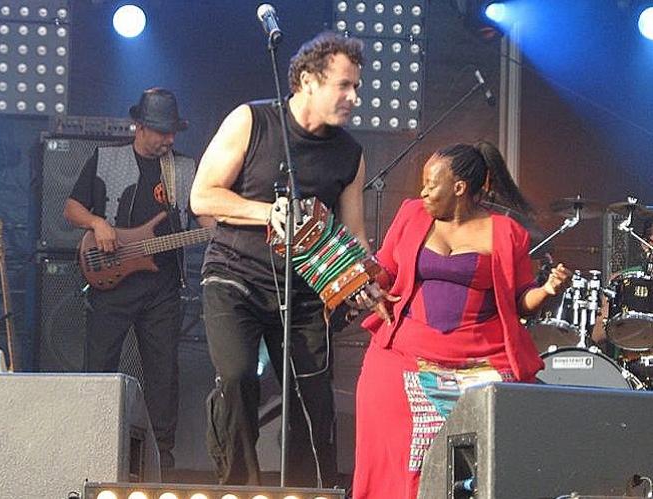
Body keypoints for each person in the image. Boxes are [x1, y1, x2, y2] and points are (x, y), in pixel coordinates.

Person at [189, 32, 368, 486]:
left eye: (357, 87)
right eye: (344, 85)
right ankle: (238, 489)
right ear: (307, 80)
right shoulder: (251, 121)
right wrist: (267, 212)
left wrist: (364, 279)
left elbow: (355, 235)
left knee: (313, 401)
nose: (353, 97)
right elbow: (202, 197)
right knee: (236, 378)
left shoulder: (350, 154)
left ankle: (310, 492)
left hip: (305, 292)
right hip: (235, 276)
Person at [352, 142, 571, 498]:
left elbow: (520, 302)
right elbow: (385, 271)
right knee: (382, 395)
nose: (422, 191)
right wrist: (367, 286)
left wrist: (547, 289)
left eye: (430, 183)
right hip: (408, 355)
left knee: (504, 430)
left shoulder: (506, 231)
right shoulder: (411, 215)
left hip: (481, 360)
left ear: (459, 188)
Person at [63, 87, 203, 469]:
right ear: (139, 126)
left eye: (172, 131)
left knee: (163, 373)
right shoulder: (106, 158)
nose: (169, 139)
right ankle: (89, 447)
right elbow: (71, 208)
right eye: (161, 131)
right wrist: (97, 223)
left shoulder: (185, 169)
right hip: (112, 281)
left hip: (163, 288)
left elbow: (204, 215)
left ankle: (163, 458)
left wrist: (224, 229)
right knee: (100, 365)